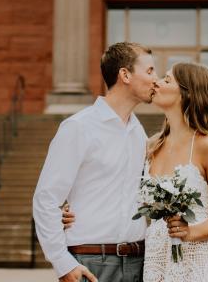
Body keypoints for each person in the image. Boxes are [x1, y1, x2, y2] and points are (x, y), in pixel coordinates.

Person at [33, 42, 158, 282]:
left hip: (139, 262)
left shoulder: (138, 132)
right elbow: (46, 198)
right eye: (150, 71)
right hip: (91, 262)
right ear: (125, 75)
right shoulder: (78, 127)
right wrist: (62, 263)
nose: (155, 79)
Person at [140, 62, 208, 282]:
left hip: (202, 262)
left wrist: (190, 232)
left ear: (187, 94)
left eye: (167, 80)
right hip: (158, 261)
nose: (156, 82)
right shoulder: (152, 145)